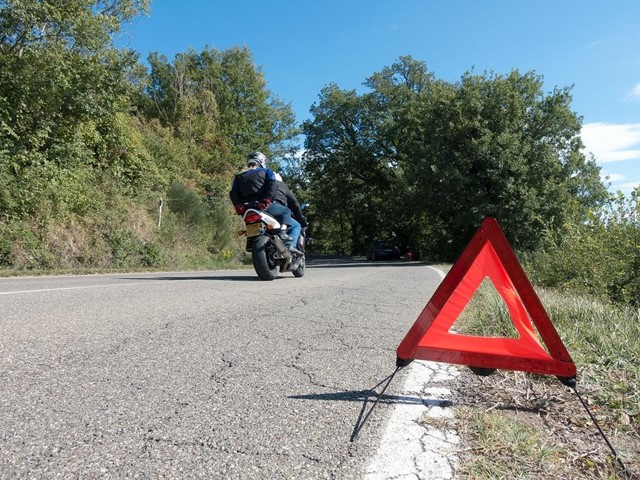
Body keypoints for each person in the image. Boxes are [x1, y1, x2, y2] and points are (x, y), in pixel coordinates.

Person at [229, 151, 294, 241]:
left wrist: (238, 205)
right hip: (261, 205)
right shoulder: (267, 171)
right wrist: (267, 200)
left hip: (246, 208)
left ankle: (251, 239)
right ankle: (283, 232)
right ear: (261, 161)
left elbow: (233, 192)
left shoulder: (238, 176)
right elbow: (272, 185)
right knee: (286, 211)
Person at [273, 173, 306, 250]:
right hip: (277, 212)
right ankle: (291, 247)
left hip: (263, 211)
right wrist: (300, 218)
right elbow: (295, 204)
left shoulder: (263, 186)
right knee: (296, 226)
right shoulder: (282, 186)